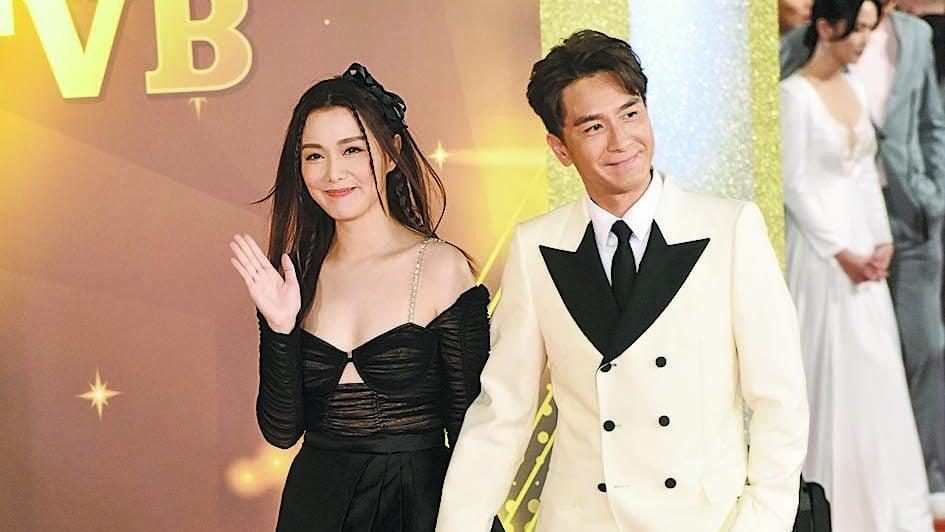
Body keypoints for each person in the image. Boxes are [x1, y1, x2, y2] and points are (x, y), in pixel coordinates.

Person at [435, 30, 809, 532]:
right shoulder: (536, 246)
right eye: (593, 127)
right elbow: (503, 412)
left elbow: (780, 400)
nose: (620, 141)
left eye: (630, 114)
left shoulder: (729, 229)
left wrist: (761, 521)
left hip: (704, 520)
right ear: (560, 147)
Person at [229, 63, 495, 532]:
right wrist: (280, 329)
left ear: (391, 154)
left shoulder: (441, 268)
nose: (334, 173)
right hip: (316, 508)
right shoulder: (296, 276)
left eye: (352, 149)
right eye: (314, 156)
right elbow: (282, 431)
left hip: (420, 507)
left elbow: (472, 431)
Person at [782, 0, 945, 512]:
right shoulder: (793, 94)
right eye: (858, 30)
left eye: (871, 31)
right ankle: (833, 505)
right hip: (822, 253)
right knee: (830, 371)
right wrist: (841, 250)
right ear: (827, 27)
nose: (864, 42)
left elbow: (865, 173)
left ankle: (887, 501)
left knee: (877, 369)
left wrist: (881, 238)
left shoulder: (852, 86)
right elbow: (793, 186)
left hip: (865, 248)